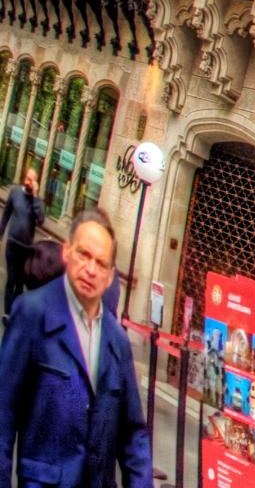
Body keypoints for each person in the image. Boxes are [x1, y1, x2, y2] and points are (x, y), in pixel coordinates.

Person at [0, 208, 149, 488]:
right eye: (84, 255)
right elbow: (2, 415)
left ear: (109, 276)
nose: (91, 269)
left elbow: (133, 435)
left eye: (101, 263)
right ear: (67, 252)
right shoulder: (32, 315)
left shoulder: (117, 340)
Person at [2, 168, 38, 312]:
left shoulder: (37, 201)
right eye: (27, 178)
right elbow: (6, 214)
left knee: (20, 282)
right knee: (11, 280)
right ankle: (7, 314)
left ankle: (16, 313)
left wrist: (35, 197)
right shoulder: (15, 192)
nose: (27, 181)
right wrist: (0, 236)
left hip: (26, 248)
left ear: (35, 182)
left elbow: (40, 219)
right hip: (12, 243)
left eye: (31, 179)